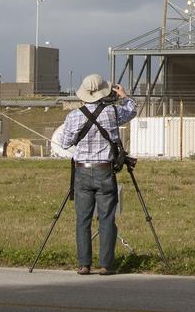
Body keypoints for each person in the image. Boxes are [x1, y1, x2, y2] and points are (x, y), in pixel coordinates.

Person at [58, 73, 137, 276]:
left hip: (82, 171)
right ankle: (106, 265)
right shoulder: (112, 112)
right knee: (106, 218)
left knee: (82, 219)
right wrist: (124, 96)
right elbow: (132, 111)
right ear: (104, 92)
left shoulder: (74, 116)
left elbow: (65, 143)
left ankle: (84, 264)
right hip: (104, 170)